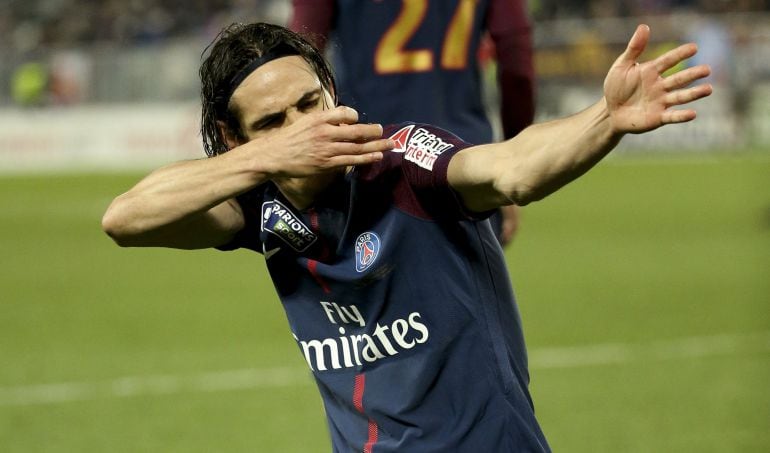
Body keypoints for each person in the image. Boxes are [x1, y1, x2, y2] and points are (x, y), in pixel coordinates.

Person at [102, 22, 711, 452]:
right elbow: (124, 219)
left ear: (332, 90)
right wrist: (266, 159)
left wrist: (605, 119)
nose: (304, 128)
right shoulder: (255, 206)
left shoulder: (401, 161)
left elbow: (512, 169)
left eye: (310, 103)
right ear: (235, 140)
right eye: (272, 123)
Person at [289, 0, 535, 245]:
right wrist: (511, 153)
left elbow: (300, 56)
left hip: (371, 161)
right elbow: (516, 59)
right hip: (464, 159)